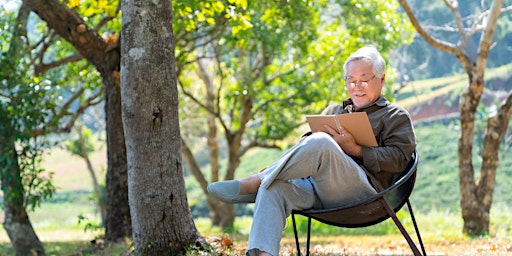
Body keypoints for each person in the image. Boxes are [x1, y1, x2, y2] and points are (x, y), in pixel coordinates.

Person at [207, 46, 417, 256]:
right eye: (350, 80)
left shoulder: (395, 116)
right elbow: (307, 148)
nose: (356, 86)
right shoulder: (334, 111)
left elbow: (400, 160)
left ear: (381, 79)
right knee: (273, 188)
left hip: (366, 195)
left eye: (364, 79)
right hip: (318, 189)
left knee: (321, 143)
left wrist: (355, 149)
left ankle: (258, 179)